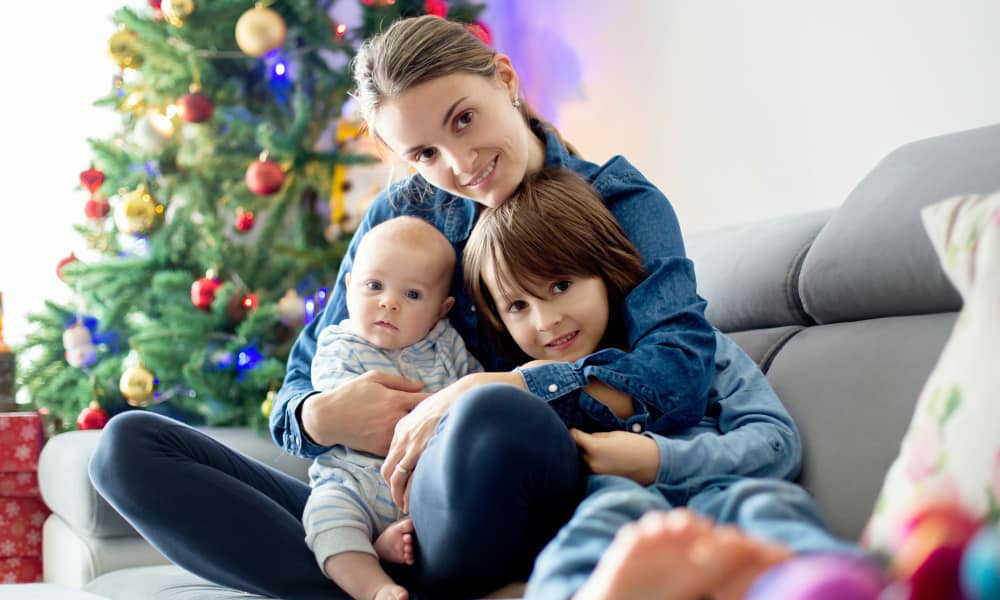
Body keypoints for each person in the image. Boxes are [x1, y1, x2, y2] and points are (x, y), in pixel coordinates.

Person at [89, 15, 716, 600]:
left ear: (504, 79)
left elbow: (681, 373)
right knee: (126, 448)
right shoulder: (404, 214)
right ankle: (374, 585)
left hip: (515, 480)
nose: (459, 163)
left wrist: (479, 392)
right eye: (422, 154)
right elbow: (297, 388)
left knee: (494, 415)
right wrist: (324, 418)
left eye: (464, 119)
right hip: (380, 505)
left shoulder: (618, 200)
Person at [459, 167, 866, 600]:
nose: (545, 321)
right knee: (588, 533)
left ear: (605, 268)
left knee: (770, 507)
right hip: (617, 512)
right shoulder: (531, 391)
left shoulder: (692, 347)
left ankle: (832, 585)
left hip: (722, 492)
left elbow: (776, 443)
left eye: (561, 285)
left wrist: (658, 459)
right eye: (517, 305)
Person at [305, 216, 481, 600]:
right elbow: (336, 399)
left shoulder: (447, 345)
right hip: (353, 479)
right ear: (349, 287)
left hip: (425, 486)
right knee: (327, 517)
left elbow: (477, 399)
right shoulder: (339, 342)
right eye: (374, 286)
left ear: (441, 309)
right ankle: (374, 587)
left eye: (413, 295)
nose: (389, 302)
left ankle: (390, 549)